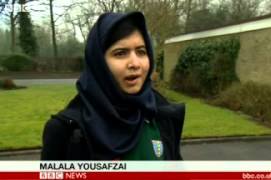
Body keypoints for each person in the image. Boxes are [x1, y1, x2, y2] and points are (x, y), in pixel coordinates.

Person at [41, 11, 185, 160]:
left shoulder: (161, 114)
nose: (135, 64)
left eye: (141, 52)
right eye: (120, 53)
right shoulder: (66, 132)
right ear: (98, 63)